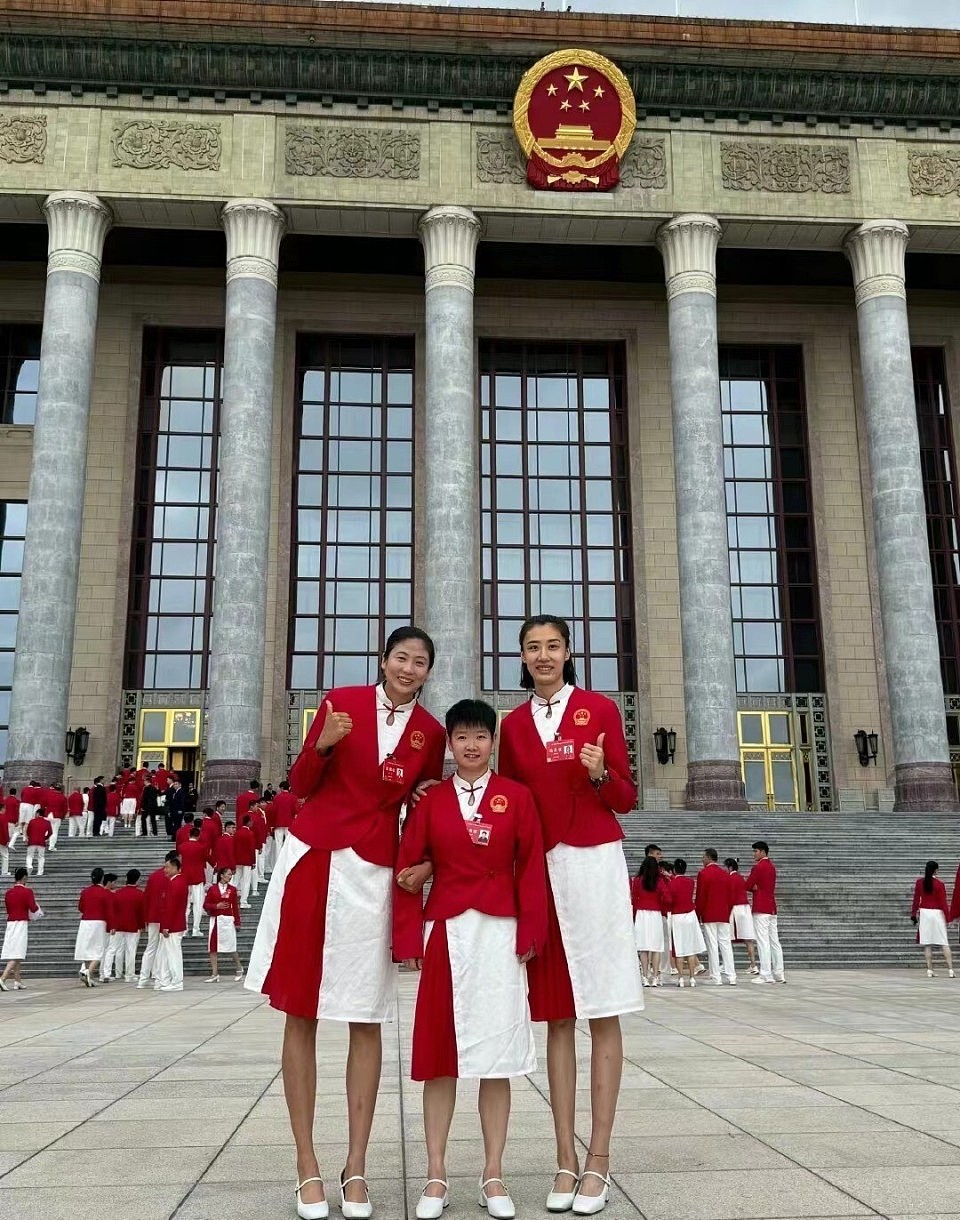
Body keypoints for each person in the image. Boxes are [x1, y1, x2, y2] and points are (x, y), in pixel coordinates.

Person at [245, 625, 446, 1220]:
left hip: (377, 872)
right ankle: (306, 1165)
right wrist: (324, 743)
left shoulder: (431, 733)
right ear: (383, 660)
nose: (409, 669)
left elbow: (424, 803)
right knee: (300, 1008)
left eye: (421, 663)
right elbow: (301, 784)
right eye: (401, 658)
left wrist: (426, 860)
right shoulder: (341, 702)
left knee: (367, 1015)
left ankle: (355, 1166)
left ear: (429, 672)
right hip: (316, 861)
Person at [496, 615, 643, 1216]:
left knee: (602, 1010)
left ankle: (599, 1160)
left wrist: (599, 772)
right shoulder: (511, 725)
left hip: (594, 865)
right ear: (523, 657)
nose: (543, 655)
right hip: (542, 872)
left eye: (552, 645)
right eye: (533, 648)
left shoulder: (599, 710)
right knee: (556, 1016)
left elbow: (626, 799)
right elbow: (506, 802)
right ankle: (564, 1156)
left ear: (567, 652)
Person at [394, 698, 547, 1220]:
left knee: (496, 1057)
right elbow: (407, 866)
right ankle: (436, 1174)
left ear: (493, 741)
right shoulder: (430, 801)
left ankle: (493, 1173)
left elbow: (530, 867)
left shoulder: (516, 797)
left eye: (481, 736)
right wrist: (407, 939)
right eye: (462, 737)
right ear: (450, 744)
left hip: (500, 931)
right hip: (446, 931)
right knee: (440, 1056)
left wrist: (532, 928)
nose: (472, 745)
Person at [746, 840, 785, 984]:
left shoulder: (758, 867)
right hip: (771, 907)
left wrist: (754, 887)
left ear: (762, 852)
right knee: (774, 941)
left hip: (761, 907)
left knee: (763, 942)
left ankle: (765, 974)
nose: (754, 854)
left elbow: (747, 884)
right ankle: (779, 973)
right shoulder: (772, 867)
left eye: (755, 851)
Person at [695, 848, 736, 986]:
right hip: (723, 913)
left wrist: (698, 913)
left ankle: (716, 976)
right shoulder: (725, 874)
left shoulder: (703, 873)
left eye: (703, 857)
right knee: (725, 944)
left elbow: (701, 896)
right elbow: (731, 896)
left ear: (708, 857)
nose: (702, 859)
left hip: (709, 913)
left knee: (712, 945)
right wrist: (728, 911)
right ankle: (731, 976)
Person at [137, 851, 177, 988]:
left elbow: (146, 897)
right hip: (164, 916)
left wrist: (145, 917)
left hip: (153, 916)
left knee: (151, 947)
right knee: (162, 948)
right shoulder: (172, 877)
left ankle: (143, 979)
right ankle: (159, 978)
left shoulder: (154, 876)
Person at [666, 859, 705, 988]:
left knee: (679, 948)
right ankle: (692, 978)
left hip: (677, 916)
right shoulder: (690, 882)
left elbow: (668, 899)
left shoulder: (672, 883)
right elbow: (681, 883)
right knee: (690, 948)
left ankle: (681, 978)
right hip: (690, 916)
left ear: (674, 870)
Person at [912, 860, 955, 978]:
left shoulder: (919, 882)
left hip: (925, 913)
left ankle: (930, 970)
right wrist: (948, 918)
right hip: (937, 913)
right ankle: (950, 970)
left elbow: (916, 899)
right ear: (936, 870)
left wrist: (913, 914)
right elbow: (943, 903)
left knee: (927, 944)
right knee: (944, 942)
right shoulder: (940, 884)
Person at [0, 867, 40, 990]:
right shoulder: (27, 892)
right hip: (21, 922)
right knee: (17, 952)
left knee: (16, 950)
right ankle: (3, 978)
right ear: (24, 878)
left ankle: (17, 981)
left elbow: (8, 909)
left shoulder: (9, 892)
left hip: (11, 923)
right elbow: (33, 908)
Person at [631, 856, 667, 987]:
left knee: (643, 947)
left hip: (641, 914)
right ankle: (655, 977)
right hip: (655, 914)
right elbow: (667, 897)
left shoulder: (638, 880)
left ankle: (644, 977)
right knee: (656, 947)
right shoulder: (659, 881)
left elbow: (634, 899)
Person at [204, 866, 243, 983]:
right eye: (228, 874)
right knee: (213, 948)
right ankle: (214, 973)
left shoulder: (232, 889)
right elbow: (206, 905)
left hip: (227, 921)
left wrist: (237, 922)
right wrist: (216, 906)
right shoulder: (213, 889)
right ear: (221, 875)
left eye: (231, 874)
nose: (230, 876)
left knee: (231, 947)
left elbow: (235, 907)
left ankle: (239, 968)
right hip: (216, 920)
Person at [106, 869, 145, 983]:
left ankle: (107, 973)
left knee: (112, 949)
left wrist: (111, 924)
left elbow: (112, 910)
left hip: (117, 925)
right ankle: (129, 975)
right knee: (130, 950)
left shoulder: (117, 893)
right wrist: (142, 925)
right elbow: (141, 912)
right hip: (132, 925)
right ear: (137, 879)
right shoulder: (139, 894)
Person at [156, 855, 188, 991]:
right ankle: (167, 979)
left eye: (167, 867)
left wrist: (166, 926)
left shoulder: (176, 883)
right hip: (175, 922)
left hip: (173, 924)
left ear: (175, 868)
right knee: (169, 953)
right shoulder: (177, 882)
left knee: (173, 953)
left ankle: (177, 981)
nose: (165, 870)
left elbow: (171, 906)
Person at [75, 867, 111, 987]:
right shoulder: (105, 892)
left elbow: (80, 907)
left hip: (85, 922)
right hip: (99, 922)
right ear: (102, 878)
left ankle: (88, 976)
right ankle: (88, 972)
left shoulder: (85, 891)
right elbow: (109, 911)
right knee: (98, 950)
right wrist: (112, 925)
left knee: (87, 949)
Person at [725, 857, 758, 975]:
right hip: (745, 908)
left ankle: (727, 964)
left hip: (735, 908)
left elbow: (730, 896)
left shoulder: (729, 878)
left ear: (729, 867)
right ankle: (753, 965)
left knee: (728, 938)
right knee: (748, 939)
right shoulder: (740, 877)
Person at [180, 824, 208, 937]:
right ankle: (196, 929)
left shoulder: (182, 846)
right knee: (198, 904)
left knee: (185, 904)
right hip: (197, 877)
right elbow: (204, 860)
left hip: (185, 877)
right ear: (198, 835)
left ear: (189, 834)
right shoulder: (201, 847)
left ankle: (184, 928)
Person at [98, 874, 121, 982]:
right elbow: (111, 911)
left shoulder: (101, 893)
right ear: (110, 882)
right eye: (114, 882)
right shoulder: (109, 895)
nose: (115, 884)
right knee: (110, 949)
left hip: (100, 924)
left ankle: (102, 973)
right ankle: (106, 973)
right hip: (109, 925)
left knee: (103, 949)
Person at [233, 816, 257, 909]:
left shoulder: (237, 833)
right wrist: (253, 861)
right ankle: (243, 901)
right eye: (251, 821)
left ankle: (230, 899)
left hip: (238, 859)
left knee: (236, 880)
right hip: (247, 860)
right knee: (246, 881)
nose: (252, 823)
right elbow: (252, 849)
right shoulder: (250, 833)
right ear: (248, 822)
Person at [271, 780, 298, 860]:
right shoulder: (293, 797)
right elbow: (295, 811)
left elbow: (274, 811)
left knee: (278, 844)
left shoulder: (276, 797)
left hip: (278, 822)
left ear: (282, 788)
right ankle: (287, 861)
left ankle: (277, 863)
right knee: (288, 844)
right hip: (289, 823)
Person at [24, 807, 52, 877]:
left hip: (32, 841)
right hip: (41, 842)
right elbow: (50, 832)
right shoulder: (47, 822)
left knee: (30, 856)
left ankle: (29, 865)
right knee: (41, 857)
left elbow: (28, 831)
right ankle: (40, 872)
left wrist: (29, 837)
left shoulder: (32, 821)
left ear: (38, 813)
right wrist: (45, 838)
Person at [46, 783, 68, 851]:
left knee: (48, 830)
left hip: (49, 814)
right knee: (54, 832)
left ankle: (46, 841)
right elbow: (65, 808)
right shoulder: (63, 797)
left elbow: (44, 803)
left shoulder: (49, 795)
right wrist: (63, 816)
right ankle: (51, 846)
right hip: (57, 815)